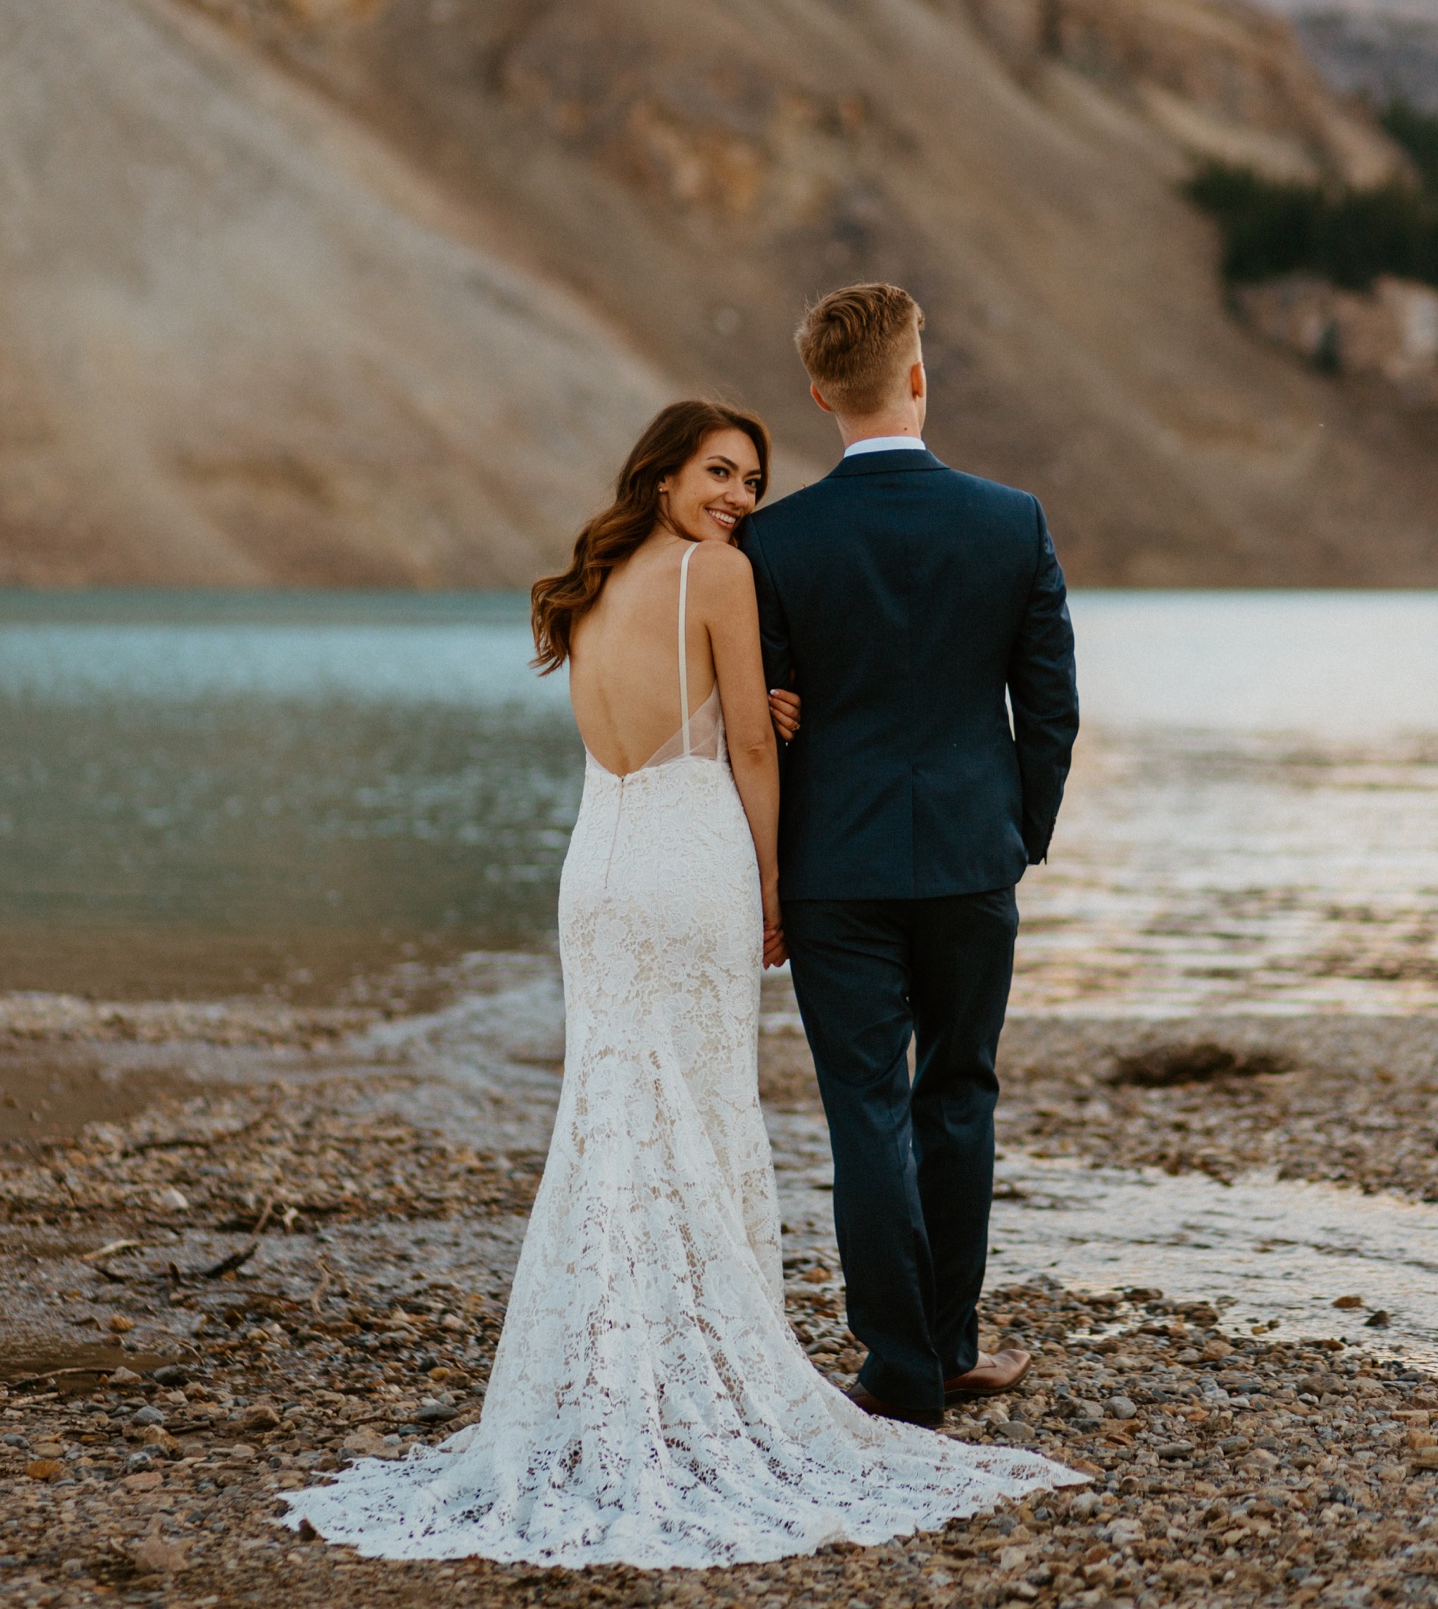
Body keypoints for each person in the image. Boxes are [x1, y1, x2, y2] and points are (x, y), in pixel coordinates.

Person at [281, 396, 1078, 1570]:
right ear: (662, 474)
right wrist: (769, 883)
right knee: (700, 1113)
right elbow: (749, 748)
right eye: (719, 473)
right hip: (688, 866)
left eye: (750, 481)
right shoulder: (715, 574)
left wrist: (756, 710)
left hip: (595, 870)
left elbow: (669, 723)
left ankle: (600, 1370)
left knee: (611, 1117)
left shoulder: (588, 584)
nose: (739, 500)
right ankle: (707, 1367)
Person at [739, 283, 1079, 1428]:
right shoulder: (1012, 521)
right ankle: (950, 1347)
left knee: (866, 1110)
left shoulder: (773, 539)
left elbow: (764, 723)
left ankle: (897, 1369)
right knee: (960, 1094)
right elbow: (1051, 708)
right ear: (919, 377)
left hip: (833, 866)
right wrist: (1020, 834)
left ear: (821, 393)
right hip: (973, 861)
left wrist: (772, 871)